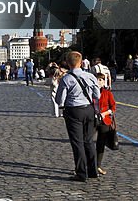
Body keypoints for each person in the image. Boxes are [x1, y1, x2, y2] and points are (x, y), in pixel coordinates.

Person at [53, 51, 101, 182]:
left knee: (77, 143)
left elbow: (59, 100)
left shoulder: (66, 79)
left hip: (74, 111)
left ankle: (81, 172)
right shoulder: (90, 76)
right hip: (89, 109)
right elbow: (97, 95)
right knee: (89, 141)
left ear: (68, 63)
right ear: (81, 62)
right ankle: (93, 170)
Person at [94, 73, 118, 176]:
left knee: (101, 143)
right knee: (88, 142)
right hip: (92, 120)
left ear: (104, 82)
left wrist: (105, 113)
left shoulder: (107, 93)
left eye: (101, 80)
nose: (98, 82)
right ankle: (87, 165)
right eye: (97, 80)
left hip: (104, 120)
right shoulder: (90, 93)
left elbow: (113, 108)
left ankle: (98, 165)